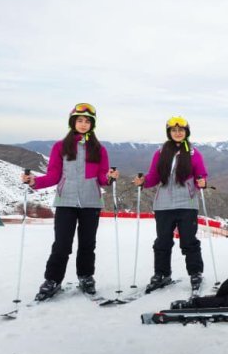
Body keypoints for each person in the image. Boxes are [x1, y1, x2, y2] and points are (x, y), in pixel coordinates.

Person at [23, 103, 118, 300]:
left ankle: (85, 277)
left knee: (87, 244)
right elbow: (53, 176)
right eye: (80, 120)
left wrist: (109, 177)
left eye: (87, 121)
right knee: (62, 244)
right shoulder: (61, 146)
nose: (83, 124)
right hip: (65, 201)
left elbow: (102, 178)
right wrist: (34, 181)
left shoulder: (99, 149)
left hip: (91, 202)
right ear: (73, 122)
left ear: (92, 125)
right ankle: (53, 280)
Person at [132, 116, 208, 294]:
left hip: (187, 203)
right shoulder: (160, 153)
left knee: (189, 240)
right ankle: (161, 274)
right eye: (174, 130)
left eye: (181, 130)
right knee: (162, 241)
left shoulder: (194, 153)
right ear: (169, 133)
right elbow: (154, 176)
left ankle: (195, 273)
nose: (178, 133)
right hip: (164, 204)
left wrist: (201, 182)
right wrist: (143, 182)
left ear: (186, 132)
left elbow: (201, 175)